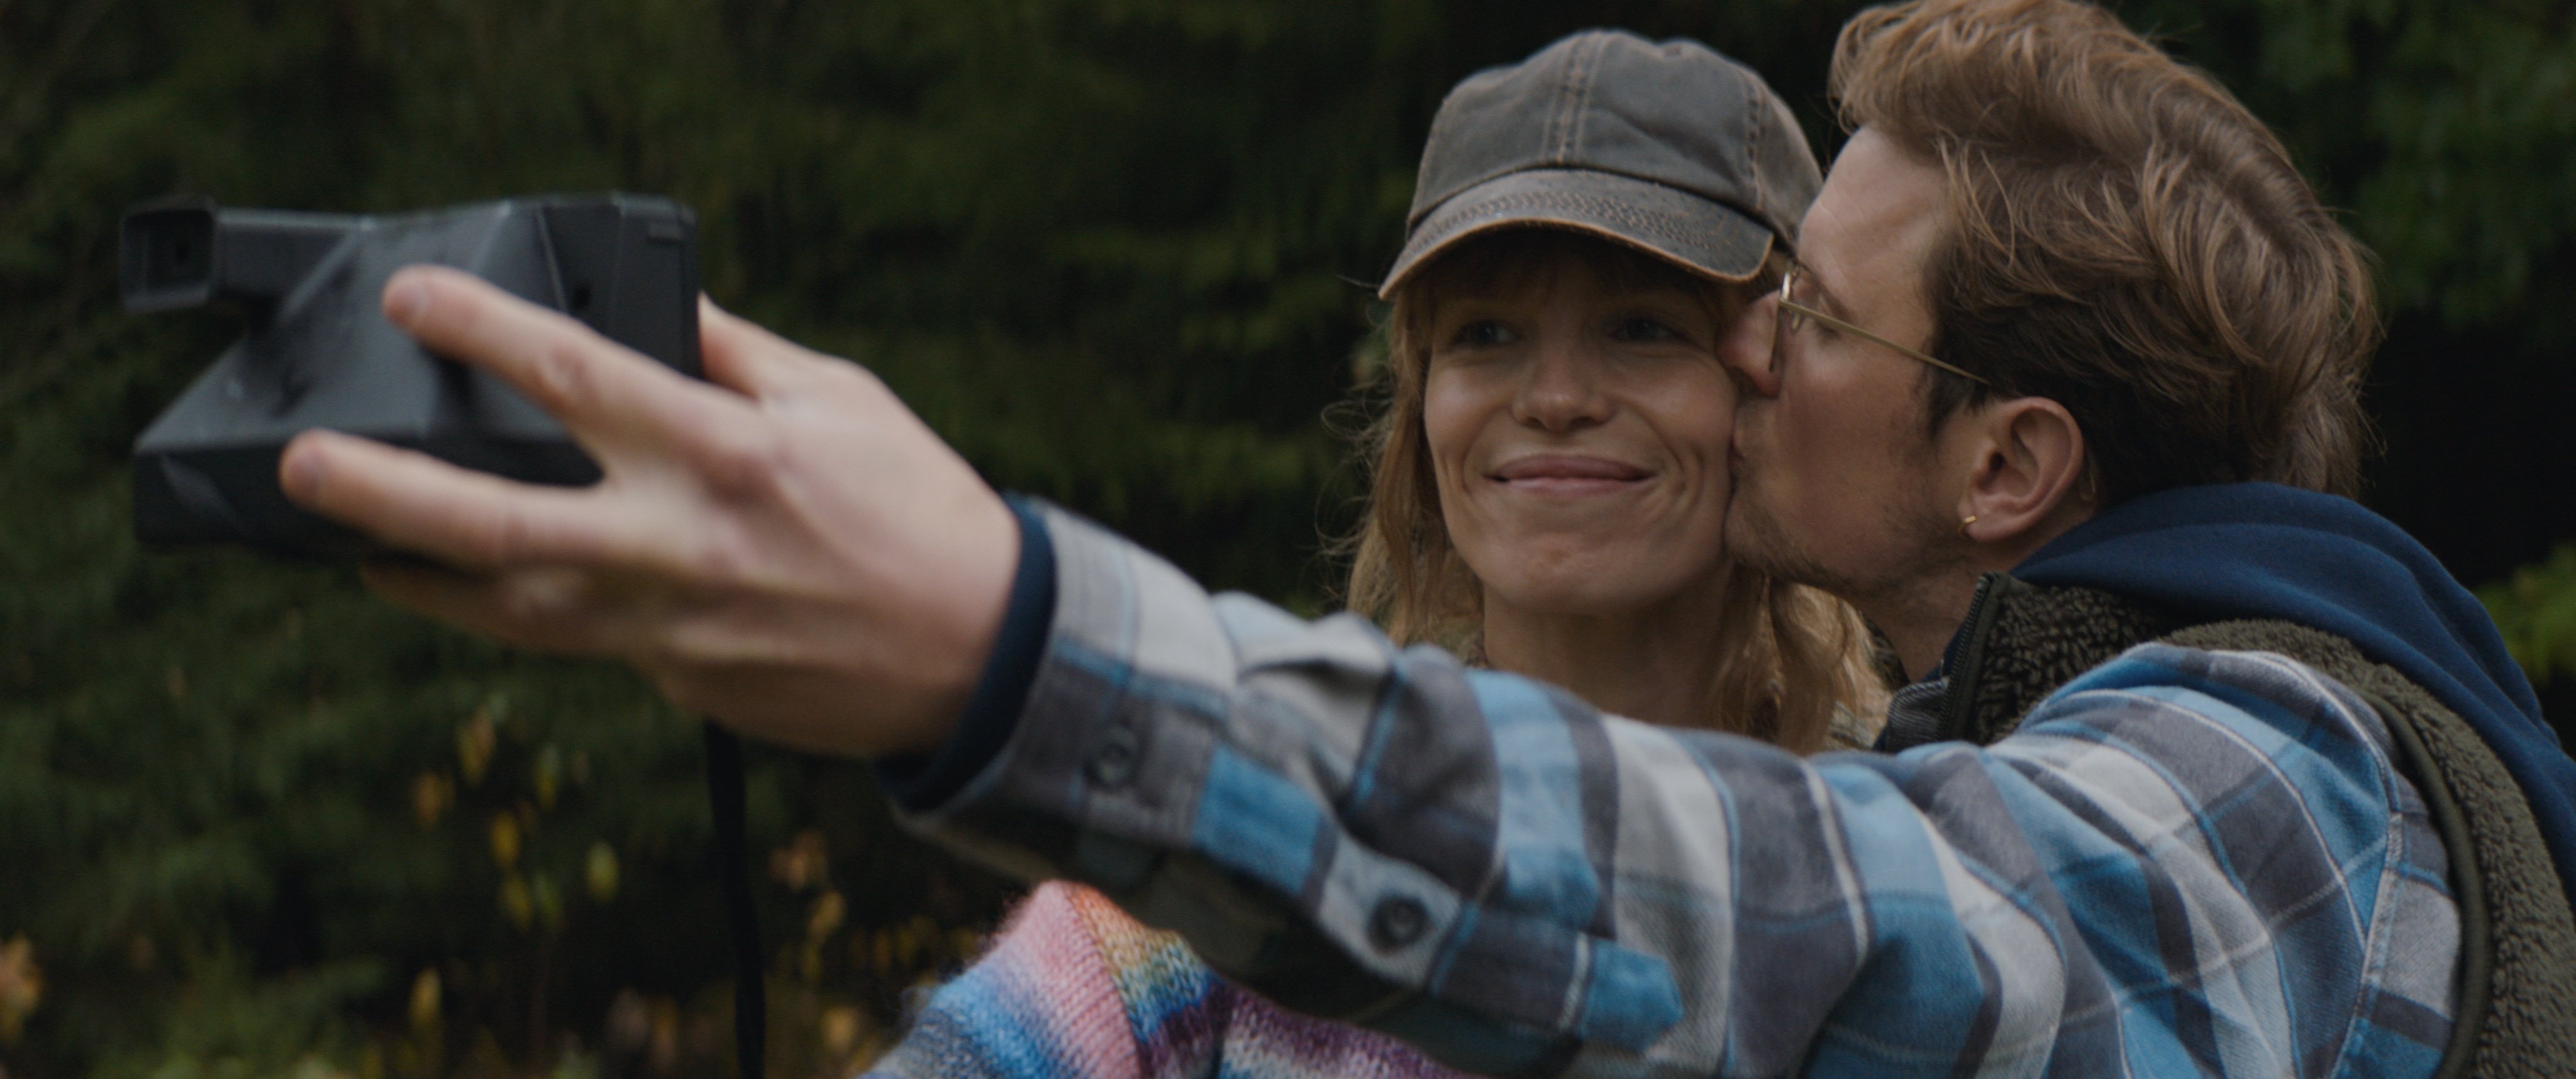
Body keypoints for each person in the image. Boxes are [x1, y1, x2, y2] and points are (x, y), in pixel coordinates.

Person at [272, 0, 2576, 1075]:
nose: (1730, 358)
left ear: (2005, 467)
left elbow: (1808, 929)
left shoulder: (2274, 772)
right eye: (1486, 335)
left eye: (1777, 318)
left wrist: (1011, 635)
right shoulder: (1164, 964)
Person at [863, 33, 1885, 1079]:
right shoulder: (1247, 849)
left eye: (1642, 327)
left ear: (1776, 384)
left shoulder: (1904, 886)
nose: (1554, 398)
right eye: (1486, 333)